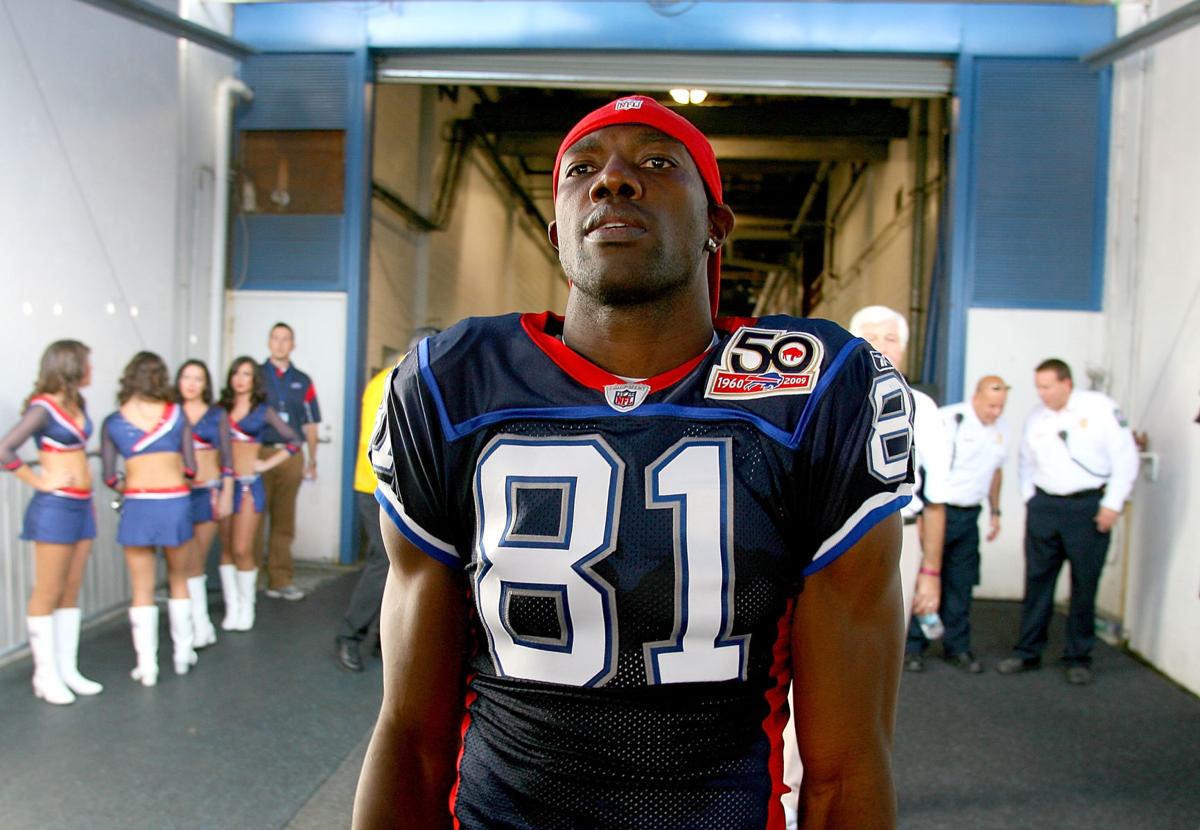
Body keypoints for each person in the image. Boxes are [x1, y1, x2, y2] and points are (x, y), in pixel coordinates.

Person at [353, 95, 915, 829]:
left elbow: (847, 764)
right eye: (583, 168)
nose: (613, 180)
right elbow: (408, 736)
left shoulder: (816, 390)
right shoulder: (451, 383)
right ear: (558, 235)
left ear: (716, 227)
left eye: (655, 163)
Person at [997, 359, 1139, 685]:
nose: (1041, 393)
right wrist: (1031, 499)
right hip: (1045, 507)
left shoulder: (1100, 409)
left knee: (1083, 586)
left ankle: (1078, 656)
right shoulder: (1037, 417)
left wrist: (1112, 505)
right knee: (1037, 583)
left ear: (1066, 384)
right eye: (1038, 387)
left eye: (1047, 386)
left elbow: (1126, 457)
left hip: (1088, 508)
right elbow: (1025, 463)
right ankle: (1028, 652)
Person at [848, 305, 950, 673]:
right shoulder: (827, 402)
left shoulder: (923, 409)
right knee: (818, 652)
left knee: (882, 659)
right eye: (871, 337)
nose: (880, 346)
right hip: (828, 541)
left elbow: (935, 501)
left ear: (903, 349)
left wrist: (931, 573)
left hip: (899, 539)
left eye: (890, 339)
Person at [0, 340, 102, 705]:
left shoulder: (78, 403)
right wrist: (41, 481)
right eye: (87, 363)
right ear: (71, 366)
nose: (92, 369)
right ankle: (45, 674)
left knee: (71, 588)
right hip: (55, 507)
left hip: (82, 505)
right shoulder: (42, 408)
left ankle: (67, 668)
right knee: (48, 589)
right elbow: (4, 450)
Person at [335, 328, 439, 673]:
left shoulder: (397, 376)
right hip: (377, 487)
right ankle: (350, 634)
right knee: (386, 563)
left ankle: (382, 639)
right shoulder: (398, 380)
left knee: (398, 564)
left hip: (390, 487)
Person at [101, 352, 199, 686]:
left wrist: (130, 481)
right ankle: (183, 656)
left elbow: (109, 477)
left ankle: (148, 668)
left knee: (141, 588)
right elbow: (191, 468)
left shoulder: (114, 421)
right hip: (174, 501)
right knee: (179, 579)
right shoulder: (177, 415)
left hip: (138, 504)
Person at [905, 375, 1010, 673]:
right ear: (976, 395)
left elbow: (996, 472)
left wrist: (996, 510)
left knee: (960, 584)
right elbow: (927, 471)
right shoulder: (949, 420)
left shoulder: (1002, 430)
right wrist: (922, 520)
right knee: (922, 581)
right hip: (939, 511)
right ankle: (914, 647)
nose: (996, 412)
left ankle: (957, 646)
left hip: (969, 515)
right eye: (991, 405)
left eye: (1001, 406)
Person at [218, 356, 304, 631]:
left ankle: (247, 607)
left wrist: (265, 463)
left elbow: (294, 441)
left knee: (242, 547)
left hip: (247, 485)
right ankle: (232, 609)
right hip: (221, 486)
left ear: (255, 380)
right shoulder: (219, 409)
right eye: (236, 373)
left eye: (246, 374)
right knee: (227, 549)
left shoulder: (263, 411)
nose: (240, 379)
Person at [254, 322, 321, 601]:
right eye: (276, 338)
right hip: (258, 453)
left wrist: (312, 460)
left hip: (292, 455)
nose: (281, 344)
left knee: (283, 522)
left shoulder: (303, 380)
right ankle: (251, 580)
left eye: (286, 339)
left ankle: (280, 580)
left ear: (293, 345)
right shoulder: (255, 375)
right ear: (269, 342)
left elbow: (311, 424)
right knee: (254, 519)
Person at [176, 359, 234, 648]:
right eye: (186, 377)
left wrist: (227, 492)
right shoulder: (170, 414)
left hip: (207, 493)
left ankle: (201, 625)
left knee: (195, 560)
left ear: (206, 384)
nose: (191, 383)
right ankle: (188, 625)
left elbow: (227, 457)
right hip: (175, 496)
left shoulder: (216, 415)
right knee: (179, 562)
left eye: (198, 378)